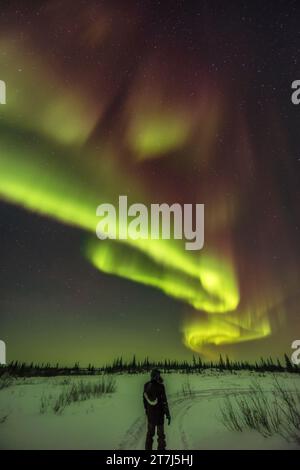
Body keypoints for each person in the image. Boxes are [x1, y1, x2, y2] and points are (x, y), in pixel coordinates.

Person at [143, 369, 171, 450]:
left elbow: (144, 400)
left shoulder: (146, 385)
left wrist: (147, 411)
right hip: (159, 416)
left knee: (150, 435)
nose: (160, 376)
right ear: (157, 376)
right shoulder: (161, 387)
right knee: (161, 436)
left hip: (151, 416)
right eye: (159, 375)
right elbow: (164, 402)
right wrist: (168, 414)